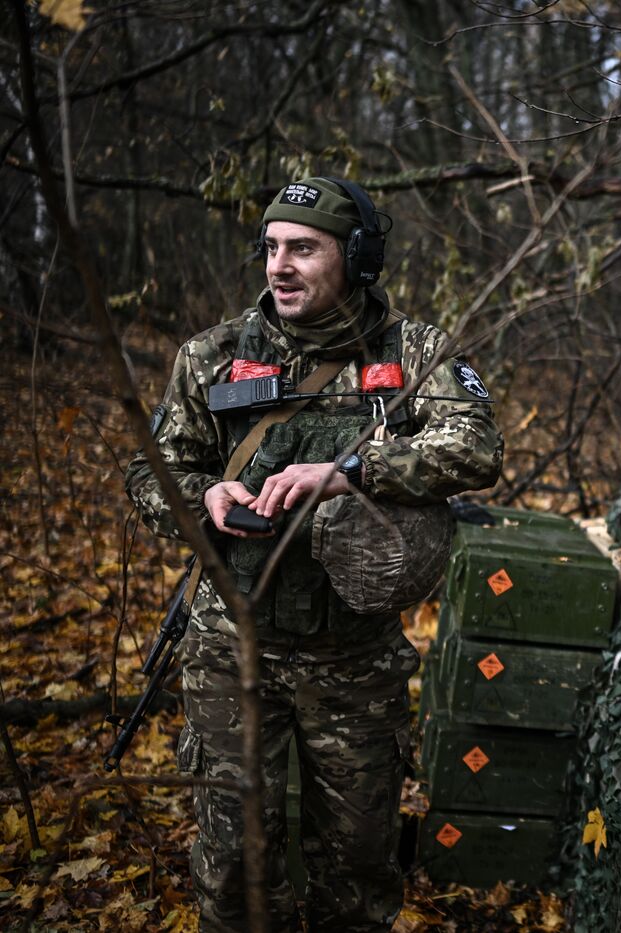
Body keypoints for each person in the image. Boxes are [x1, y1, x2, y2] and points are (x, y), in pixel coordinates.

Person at [125, 176, 504, 931]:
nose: (279, 266)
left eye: (304, 248)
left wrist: (354, 470)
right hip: (233, 646)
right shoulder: (213, 355)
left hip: (354, 662)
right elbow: (151, 473)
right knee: (235, 869)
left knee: (358, 873)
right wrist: (201, 498)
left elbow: (477, 446)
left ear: (356, 258)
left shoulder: (413, 351)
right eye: (270, 248)